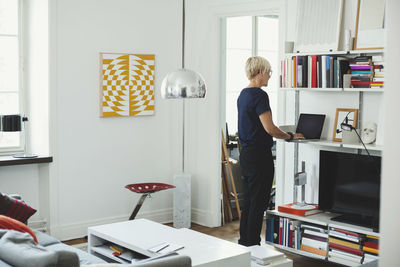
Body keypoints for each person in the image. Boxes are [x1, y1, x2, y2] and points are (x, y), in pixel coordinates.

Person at [237, 56, 304, 246]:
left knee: (249, 202)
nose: (270, 76)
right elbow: (270, 129)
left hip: (246, 155)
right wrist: (290, 136)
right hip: (259, 156)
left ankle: (245, 243)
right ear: (260, 72)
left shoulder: (243, 94)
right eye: (269, 72)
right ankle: (253, 245)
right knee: (258, 204)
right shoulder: (259, 95)